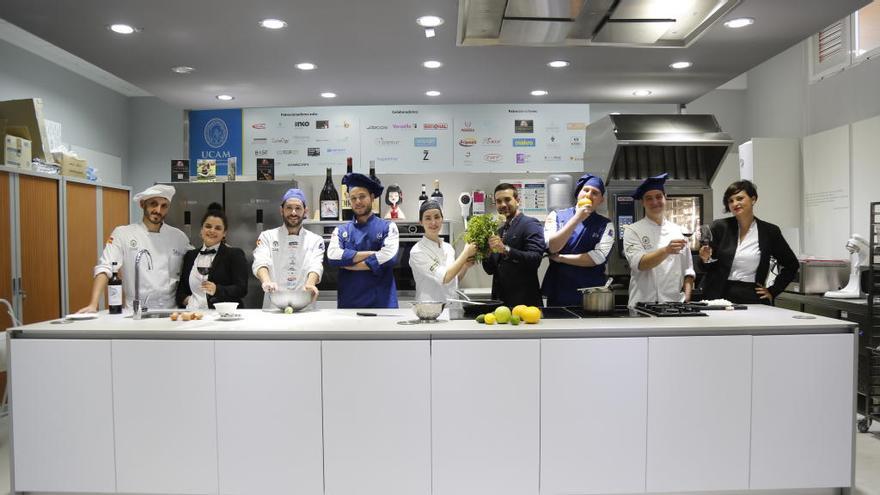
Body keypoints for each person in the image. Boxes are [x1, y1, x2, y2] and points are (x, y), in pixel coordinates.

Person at [77, 184, 191, 312]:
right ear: (142, 204)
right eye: (153, 204)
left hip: (170, 311)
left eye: (164, 206)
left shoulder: (179, 237)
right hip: (135, 311)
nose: (158, 210)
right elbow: (105, 267)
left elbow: (196, 263)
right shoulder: (123, 233)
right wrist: (93, 304)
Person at [698, 180, 799, 304]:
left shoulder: (769, 231)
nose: (735, 203)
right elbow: (704, 267)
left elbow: (792, 265)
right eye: (731, 201)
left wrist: (773, 291)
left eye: (740, 198)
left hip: (751, 295)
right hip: (717, 294)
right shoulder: (719, 227)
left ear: (753, 199)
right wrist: (704, 259)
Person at [327, 173, 400, 308]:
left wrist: (349, 263)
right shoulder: (341, 230)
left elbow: (389, 256)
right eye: (353, 198)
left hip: (382, 305)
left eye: (362, 196)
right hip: (349, 305)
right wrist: (372, 254)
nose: (358, 202)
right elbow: (332, 256)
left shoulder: (388, 226)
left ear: (372, 197)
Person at [542, 173, 615, 306]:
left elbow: (597, 258)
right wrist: (577, 219)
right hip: (559, 289)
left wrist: (562, 258)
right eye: (585, 190)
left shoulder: (606, 224)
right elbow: (552, 247)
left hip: (591, 293)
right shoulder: (556, 216)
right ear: (578, 194)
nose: (589, 195)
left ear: (601, 200)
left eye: (595, 193)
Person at [623, 173, 695, 307]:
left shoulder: (679, 231)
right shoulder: (632, 230)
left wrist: (687, 299)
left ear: (665, 198)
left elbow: (688, 271)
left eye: (658, 197)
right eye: (649, 198)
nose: (655, 202)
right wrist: (666, 250)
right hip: (642, 304)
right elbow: (639, 264)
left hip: (674, 304)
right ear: (643, 203)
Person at [252, 188, 325, 309]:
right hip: (274, 303)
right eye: (289, 208)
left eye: (298, 208)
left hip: (304, 303)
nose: (293, 213)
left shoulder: (315, 240)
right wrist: (266, 282)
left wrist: (310, 285)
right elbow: (260, 261)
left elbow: (315, 265)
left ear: (305, 211)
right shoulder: (267, 236)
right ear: (281, 210)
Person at [482, 183, 546, 307]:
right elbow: (489, 270)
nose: (503, 205)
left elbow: (535, 259)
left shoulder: (530, 224)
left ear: (517, 201)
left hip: (525, 304)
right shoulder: (499, 232)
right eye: (498, 201)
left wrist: (505, 249)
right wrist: (486, 252)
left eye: (507, 200)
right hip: (499, 304)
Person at [175, 203, 248, 309]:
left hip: (224, 316)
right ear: (201, 230)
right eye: (208, 226)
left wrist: (217, 289)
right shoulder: (190, 255)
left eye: (218, 228)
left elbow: (242, 289)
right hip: (195, 316)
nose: (212, 231)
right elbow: (181, 291)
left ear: (224, 233)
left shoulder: (235, 254)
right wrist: (189, 301)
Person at [409, 200, 478, 304]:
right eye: (428, 218)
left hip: (452, 308)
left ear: (442, 219)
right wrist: (466, 253)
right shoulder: (417, 251)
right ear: (421, 222)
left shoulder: (448, 248)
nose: (433, 222)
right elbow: (445, 278)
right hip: (429, 310)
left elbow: (453, 280)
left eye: (437, 217)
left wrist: (465, 267)